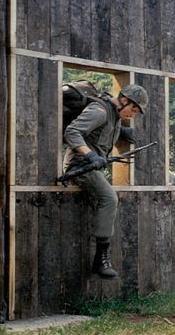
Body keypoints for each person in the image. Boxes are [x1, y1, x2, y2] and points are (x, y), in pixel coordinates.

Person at [63, 84, 148, 279]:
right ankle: (101, 260)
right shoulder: (100, 111)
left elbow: (103, 134)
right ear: (123, 100)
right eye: (133, 109)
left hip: (92, 167)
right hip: (78, 166)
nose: (133, 114)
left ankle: (101, 258)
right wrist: (91, 155)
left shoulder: (116, 117)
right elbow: (72, 132)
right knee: (109, 198)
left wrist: (123, 134)